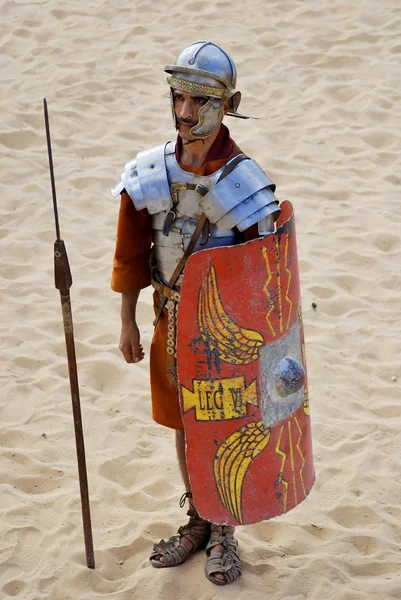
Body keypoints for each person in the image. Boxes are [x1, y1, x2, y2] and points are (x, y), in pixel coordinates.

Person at [111, 40, 280, 586]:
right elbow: (131, 252)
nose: (186, 113)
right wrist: (127, 319)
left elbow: (268, 276)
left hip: (228, 335)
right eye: (179, 97)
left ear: (229, 103)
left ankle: (225, 528)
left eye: (200, 101)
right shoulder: (149, 173)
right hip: (170, 320)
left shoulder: (245, 183)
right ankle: (199, 518)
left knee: (227, 423)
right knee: (185, 422)